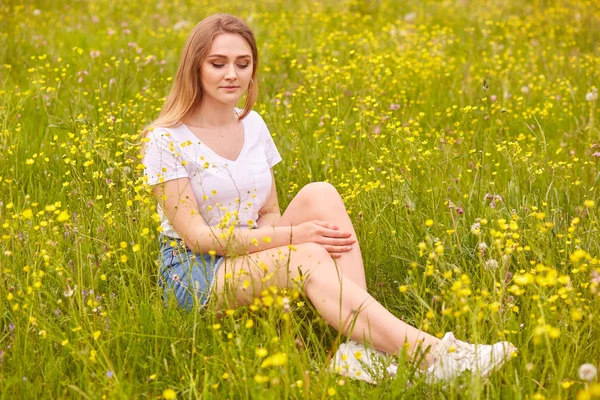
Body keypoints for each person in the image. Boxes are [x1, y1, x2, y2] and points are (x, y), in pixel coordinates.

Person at [140, 13, 516, 384]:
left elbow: (268, 211)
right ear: (195, 68)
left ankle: (357, 347)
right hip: (196, 271)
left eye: (243, 63)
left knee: (321, 193)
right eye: (217, 63)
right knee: (306, 253)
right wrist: (293, 239)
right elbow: (199, 239)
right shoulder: (166, 139)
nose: (232, 75)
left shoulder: (251, 124)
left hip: (248, 246)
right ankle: (433, 355)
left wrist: (282, 241)